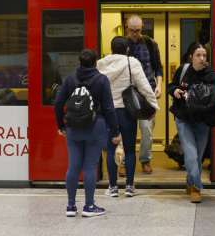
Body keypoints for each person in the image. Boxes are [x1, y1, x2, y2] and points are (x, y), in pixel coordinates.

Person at [55, 49, 120, 217]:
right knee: (90, 166)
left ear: (79, 62)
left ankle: (70, 206)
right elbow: (108, 108)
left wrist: (61, 125)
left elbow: (58, 103)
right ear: (95, 62)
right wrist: (115, 131)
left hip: (73, 128)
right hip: (95, 126)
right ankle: (89, 206)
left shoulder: (70, 79)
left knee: (73, 166)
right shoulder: (101, 80)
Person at [97, 37, 158, 198]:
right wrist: (153, 106)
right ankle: (129, 186)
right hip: (127, 112)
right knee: (130, 149)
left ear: (111, 48)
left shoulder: (102, 64)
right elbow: (144, 86)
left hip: (109, 112)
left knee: (110, 150)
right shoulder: (132, 62)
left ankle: (113, 187)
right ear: (127, 49)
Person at [168, 43, 215, 203]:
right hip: (183, 118)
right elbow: (172, 85)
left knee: (197, 156)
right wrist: (174, 90)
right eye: (198, 55)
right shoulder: (183, 70)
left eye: (204, 55)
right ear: (191, 57)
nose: (202, 58)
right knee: (190, 153)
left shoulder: (211, 75)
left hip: (202, 120)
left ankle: (190, 182)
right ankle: (197, 188)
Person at [124, 15, 162, 174]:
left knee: (147, 129)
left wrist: (159, 85)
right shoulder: (122, 44)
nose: (135, 34)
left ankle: (145, 159)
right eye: (132, 31)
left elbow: (158, 68)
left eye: (138, 30)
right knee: (126, 128)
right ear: (127, 28)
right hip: (127, 91)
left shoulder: (150, 43)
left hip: (147, 90)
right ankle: (124, 161)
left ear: (142, 29)